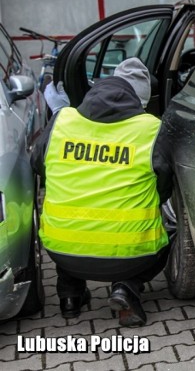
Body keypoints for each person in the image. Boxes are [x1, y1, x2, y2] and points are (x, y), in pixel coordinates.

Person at [31, 58, 173, 327]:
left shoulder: (63, 120)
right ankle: (127, 287)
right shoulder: (151, 128)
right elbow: (164, 184)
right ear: (139, 99)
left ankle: (69, 297)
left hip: (61, 250)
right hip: (133, 256)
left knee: (73, 231)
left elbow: (38, 165)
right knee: (167, 239)